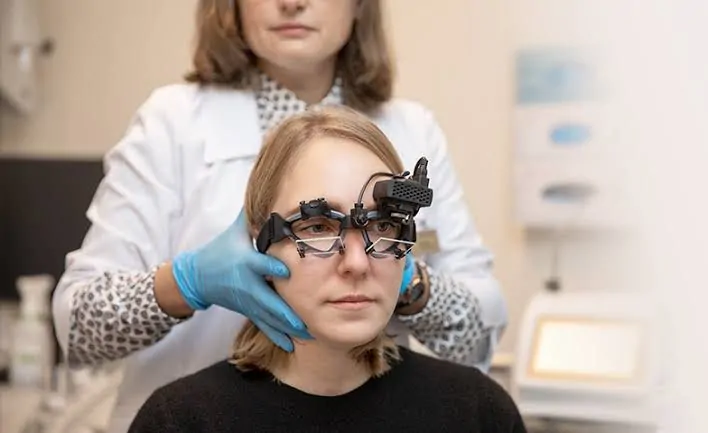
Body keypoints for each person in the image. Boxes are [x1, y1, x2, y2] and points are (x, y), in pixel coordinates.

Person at [52, 0, 507, 431]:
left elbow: (479, 336)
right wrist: (188, 283)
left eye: (382, 224)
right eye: (317, 226)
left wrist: (410, 282)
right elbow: (79, 332)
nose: (292, 2)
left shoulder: (412, 130)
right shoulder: (172, 123)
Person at [127, 106, 526, 433]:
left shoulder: (478, 413)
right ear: (258, 241)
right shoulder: (179, 421)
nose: (356, 263)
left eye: (383, 226)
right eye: (317, 227)